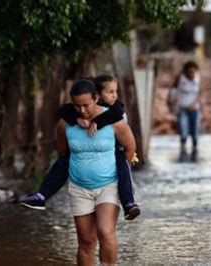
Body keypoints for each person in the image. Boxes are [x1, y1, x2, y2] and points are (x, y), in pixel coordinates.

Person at [19, 75, 141, 220]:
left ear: (95, 99)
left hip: (114, 152)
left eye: (115, 91)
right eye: (109, 92)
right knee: (63, 161)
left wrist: (97, 121)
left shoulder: (115, 107)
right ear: (98, 95)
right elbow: (64, 111)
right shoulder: (78, 108)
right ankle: (41, 196)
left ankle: (128, 203)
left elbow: (118, 118)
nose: (114, 95)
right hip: (81, 174)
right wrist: (76, 119)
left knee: (123, 166)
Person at [57, 79, 136, 265]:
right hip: (79, 187)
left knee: (105, 231)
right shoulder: (65, 124)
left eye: (86, 105)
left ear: (97, 99)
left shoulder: (114, 120)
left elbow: (130, 147)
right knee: (86, 241)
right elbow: (62, 151)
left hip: (109, 184)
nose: (82, 110)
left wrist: (122, 173)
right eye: (77, 106)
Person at [173, 60, 203, 162]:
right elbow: (173, 92)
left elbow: (200, 93)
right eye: (189, 72)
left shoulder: (198, 79)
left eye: (193, 72)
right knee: (183, 128)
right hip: (183, 108)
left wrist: (195, 104)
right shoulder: (180, 79)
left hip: (195, 109)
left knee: (195, 129)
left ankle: (195, 147)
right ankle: (183, 147)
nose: (191, 74)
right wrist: (173, 105)